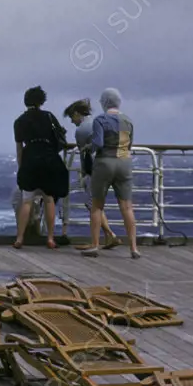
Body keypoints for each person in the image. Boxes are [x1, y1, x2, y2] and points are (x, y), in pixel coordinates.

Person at [82, 88, 140, 259]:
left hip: (105, 163)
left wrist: (88, 147)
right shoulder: (128, 121)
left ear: (105, 102)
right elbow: (129, 145)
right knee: (127, 207)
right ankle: (134, 248)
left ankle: (95, 245)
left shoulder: (100, 119)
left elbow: (98, 143)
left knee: (97, 206)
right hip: (124, 163)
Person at [13, 86, 69, 249]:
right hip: (49, 158)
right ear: (41, 101)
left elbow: (19, 147)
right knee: (49, 199)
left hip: (30, 157)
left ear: (26, 101)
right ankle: (50, 238)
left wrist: (21, 166)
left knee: (27, 200)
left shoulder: (20, 121)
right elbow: (59, 137)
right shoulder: (49, 117)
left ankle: (20, 238)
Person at [63, 98, 120, 250]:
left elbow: (84, 154)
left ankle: (104, 238)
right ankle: (109, 236)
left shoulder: (81, 130)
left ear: (77, 113)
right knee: (95, 204)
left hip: (95, 170)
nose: (72, 121)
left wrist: (84, 174)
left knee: (92, 205)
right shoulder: (98, 123)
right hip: (110, 166)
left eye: (71, 117)